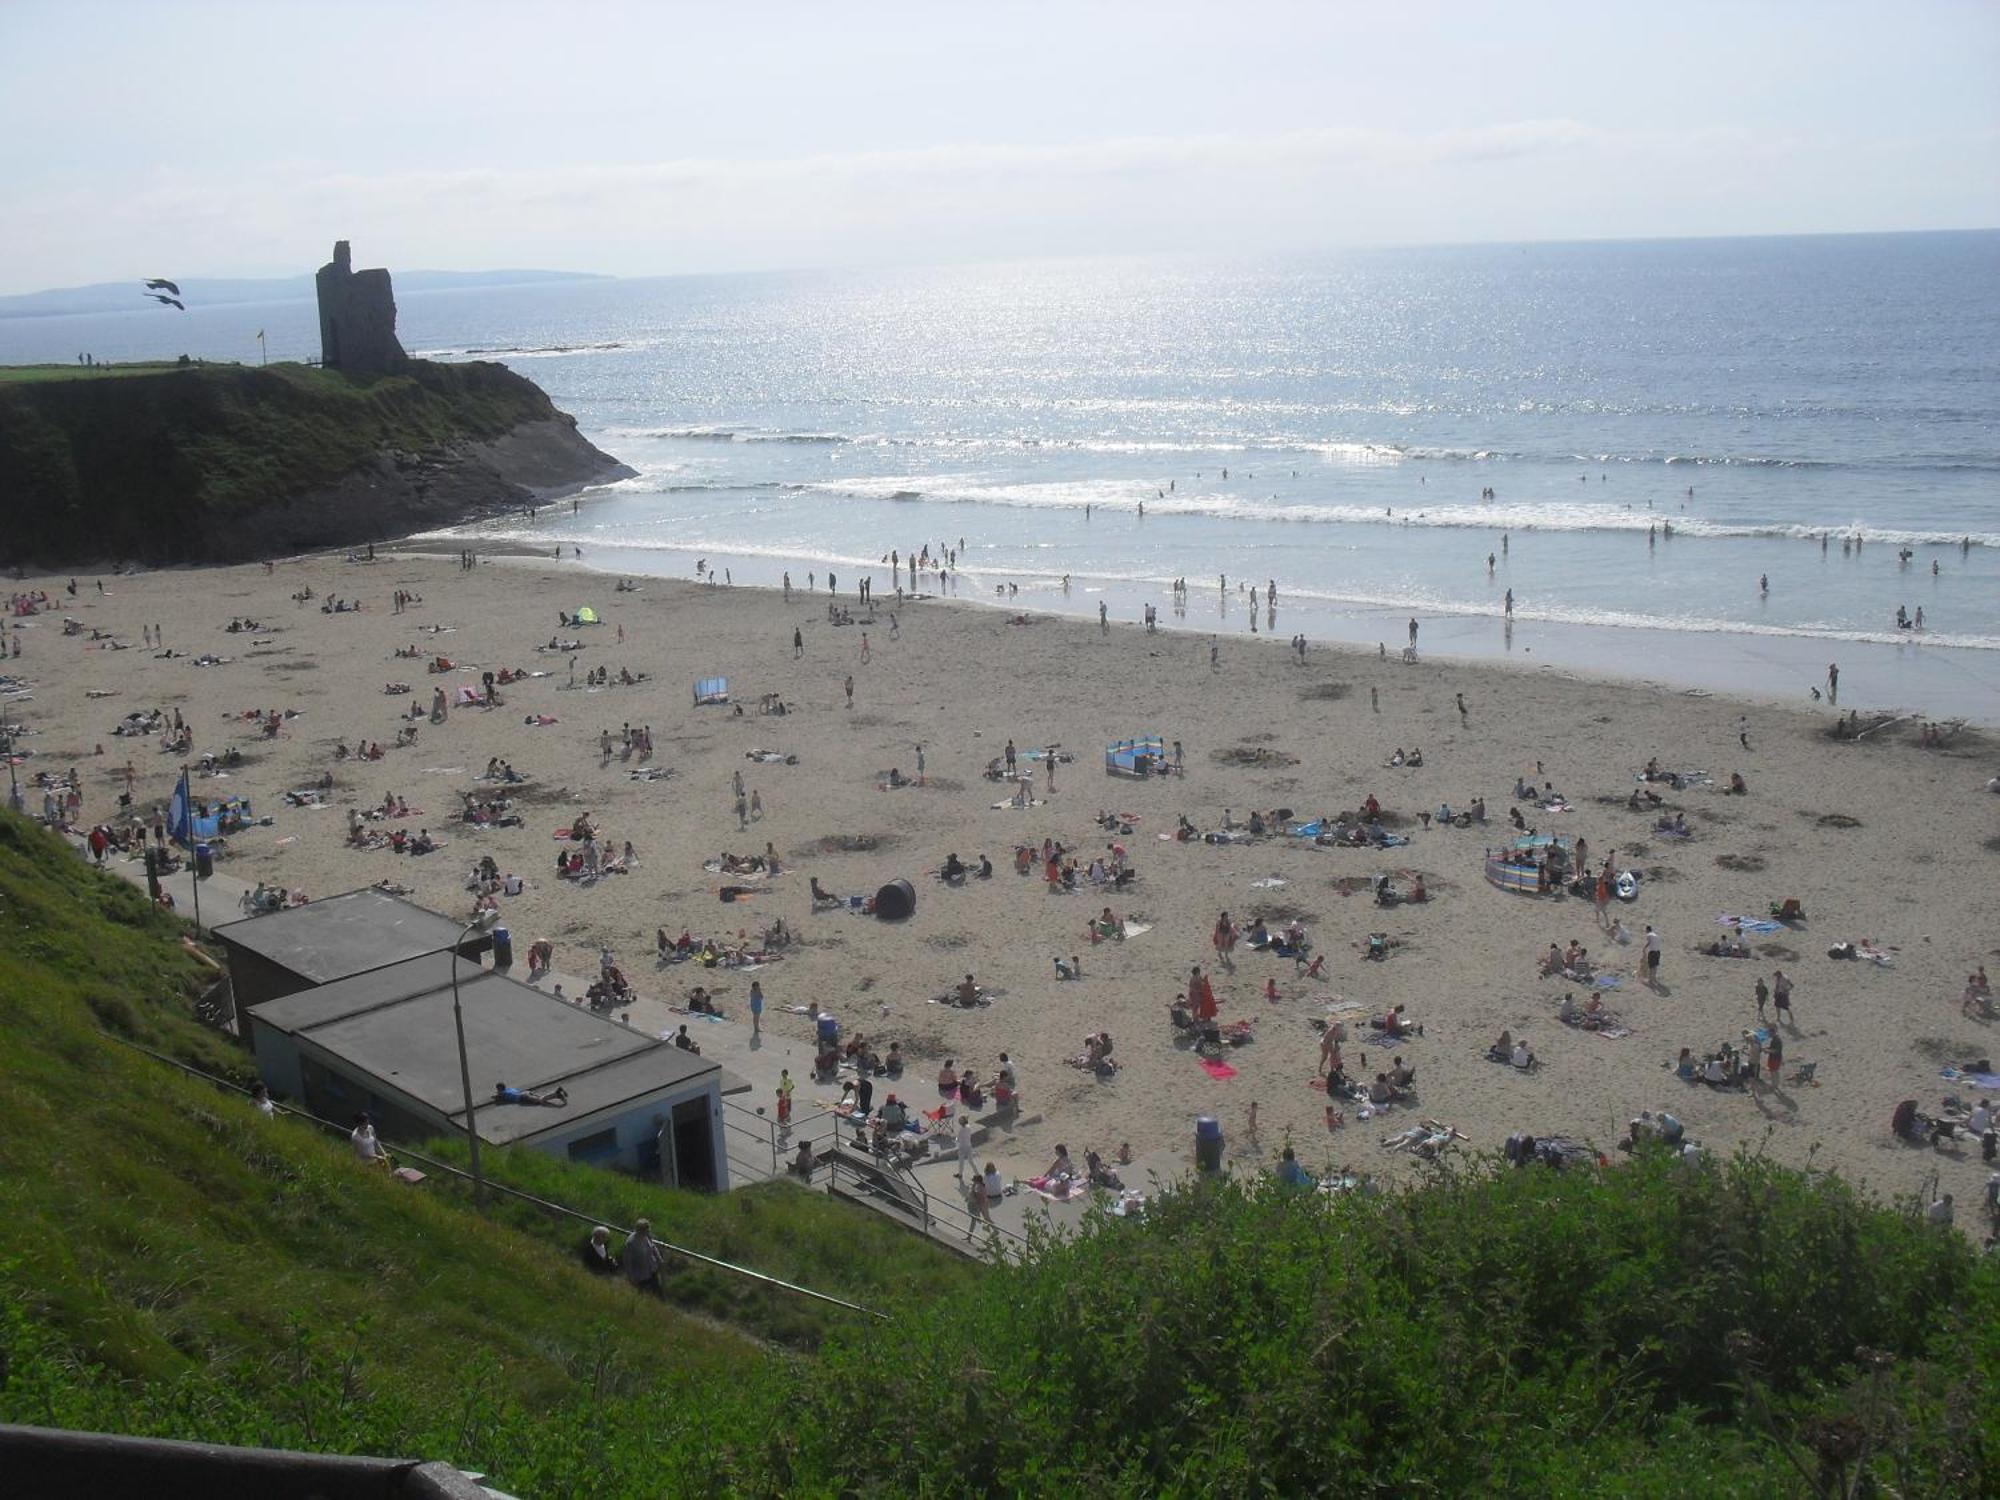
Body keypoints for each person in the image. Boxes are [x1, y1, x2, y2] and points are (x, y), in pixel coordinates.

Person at [622, 1218, 665, 1295]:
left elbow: (653, 1246)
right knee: (644, 1293)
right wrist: (631, 1277)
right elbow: (627, 1261)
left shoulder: (646, 1236)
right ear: (639, 1230)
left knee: (657, 1291)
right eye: (646, 1230)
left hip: (652, 1268)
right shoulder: (631, 1243)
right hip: (641, 1274)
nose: (648, 1232)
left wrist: (659, 1258)